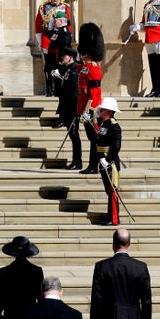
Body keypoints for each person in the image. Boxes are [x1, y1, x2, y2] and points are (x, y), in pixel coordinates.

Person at [90, 228, 152, 319]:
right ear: (129, 243)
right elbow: (146, 301)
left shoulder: (102, 267)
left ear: (113, 243)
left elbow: (97, 300)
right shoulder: (140, 267)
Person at [34, 0, 73, 97]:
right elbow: (38, 26)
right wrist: (40, 42)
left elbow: (69, 25)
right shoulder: (43, 8)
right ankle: (48, 88)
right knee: (49, 64)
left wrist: (67, 39)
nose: (55, 0)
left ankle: (58, 87)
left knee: (60, 63)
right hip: (48, 38)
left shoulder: (65, 7)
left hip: (61, 39)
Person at [89, 97, 122, 226]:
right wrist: (89, 121)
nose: (100, 109)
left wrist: (108, 160)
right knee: (108, 191)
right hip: (102, 160)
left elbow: (116, 146)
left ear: (108, 111)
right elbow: (96, 138)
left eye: (103, 108)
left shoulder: (114, 126)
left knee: (112, 191)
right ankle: (110, 216)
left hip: (110, 162)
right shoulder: (104, 123)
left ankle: (114, 218)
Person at [77, 23, 104, 175]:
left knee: (94, 139)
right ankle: (93, 165)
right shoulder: (86, 66)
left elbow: (95, 91)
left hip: (91, 109)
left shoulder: (93, 67)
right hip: (84, 105)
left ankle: (94, 166)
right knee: (92, 138)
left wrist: (89, 110)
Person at [52, 46, 82, 169]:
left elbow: (75, 93)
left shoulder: (73, 72)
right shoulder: (68, 70)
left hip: (72, 109)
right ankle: (76, 161)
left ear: (70, 58)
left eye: (64, 56)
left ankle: (77, 162)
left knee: (74, 136)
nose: (62, 58)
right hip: (67, 108)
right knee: (73, 136)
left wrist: (76, 110)